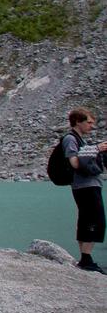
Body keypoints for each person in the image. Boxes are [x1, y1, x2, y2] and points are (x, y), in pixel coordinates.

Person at [62, 107, 107, 273]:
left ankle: (86, 258)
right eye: (88, 122)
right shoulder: (70, 139)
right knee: (94, 220)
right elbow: (74, 163)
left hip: (88, 185)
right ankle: (86, 259)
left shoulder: (80, 140)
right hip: (84, 186)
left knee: (87, 220)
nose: (91, 126)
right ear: (77, 121)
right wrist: (96, 149)